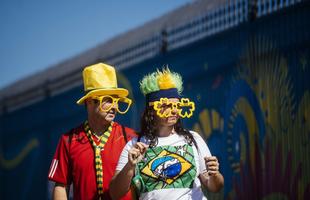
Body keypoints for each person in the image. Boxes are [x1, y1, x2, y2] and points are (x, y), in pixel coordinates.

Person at [110, 68, 224, 200]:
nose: (173, 111)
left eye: (176, 105)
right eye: (166, 106)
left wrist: (215, 174)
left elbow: (215, 186)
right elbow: (115, 193)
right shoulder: (135, 145)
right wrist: (130, 166)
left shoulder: (193, 139)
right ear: (151, 110)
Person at [48, 63, 137, 200]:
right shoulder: (69, 140)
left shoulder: (130, 137)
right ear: (90, 101)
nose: (114, 106)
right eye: (108, 100)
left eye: (116, 100)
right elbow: (61, 186)